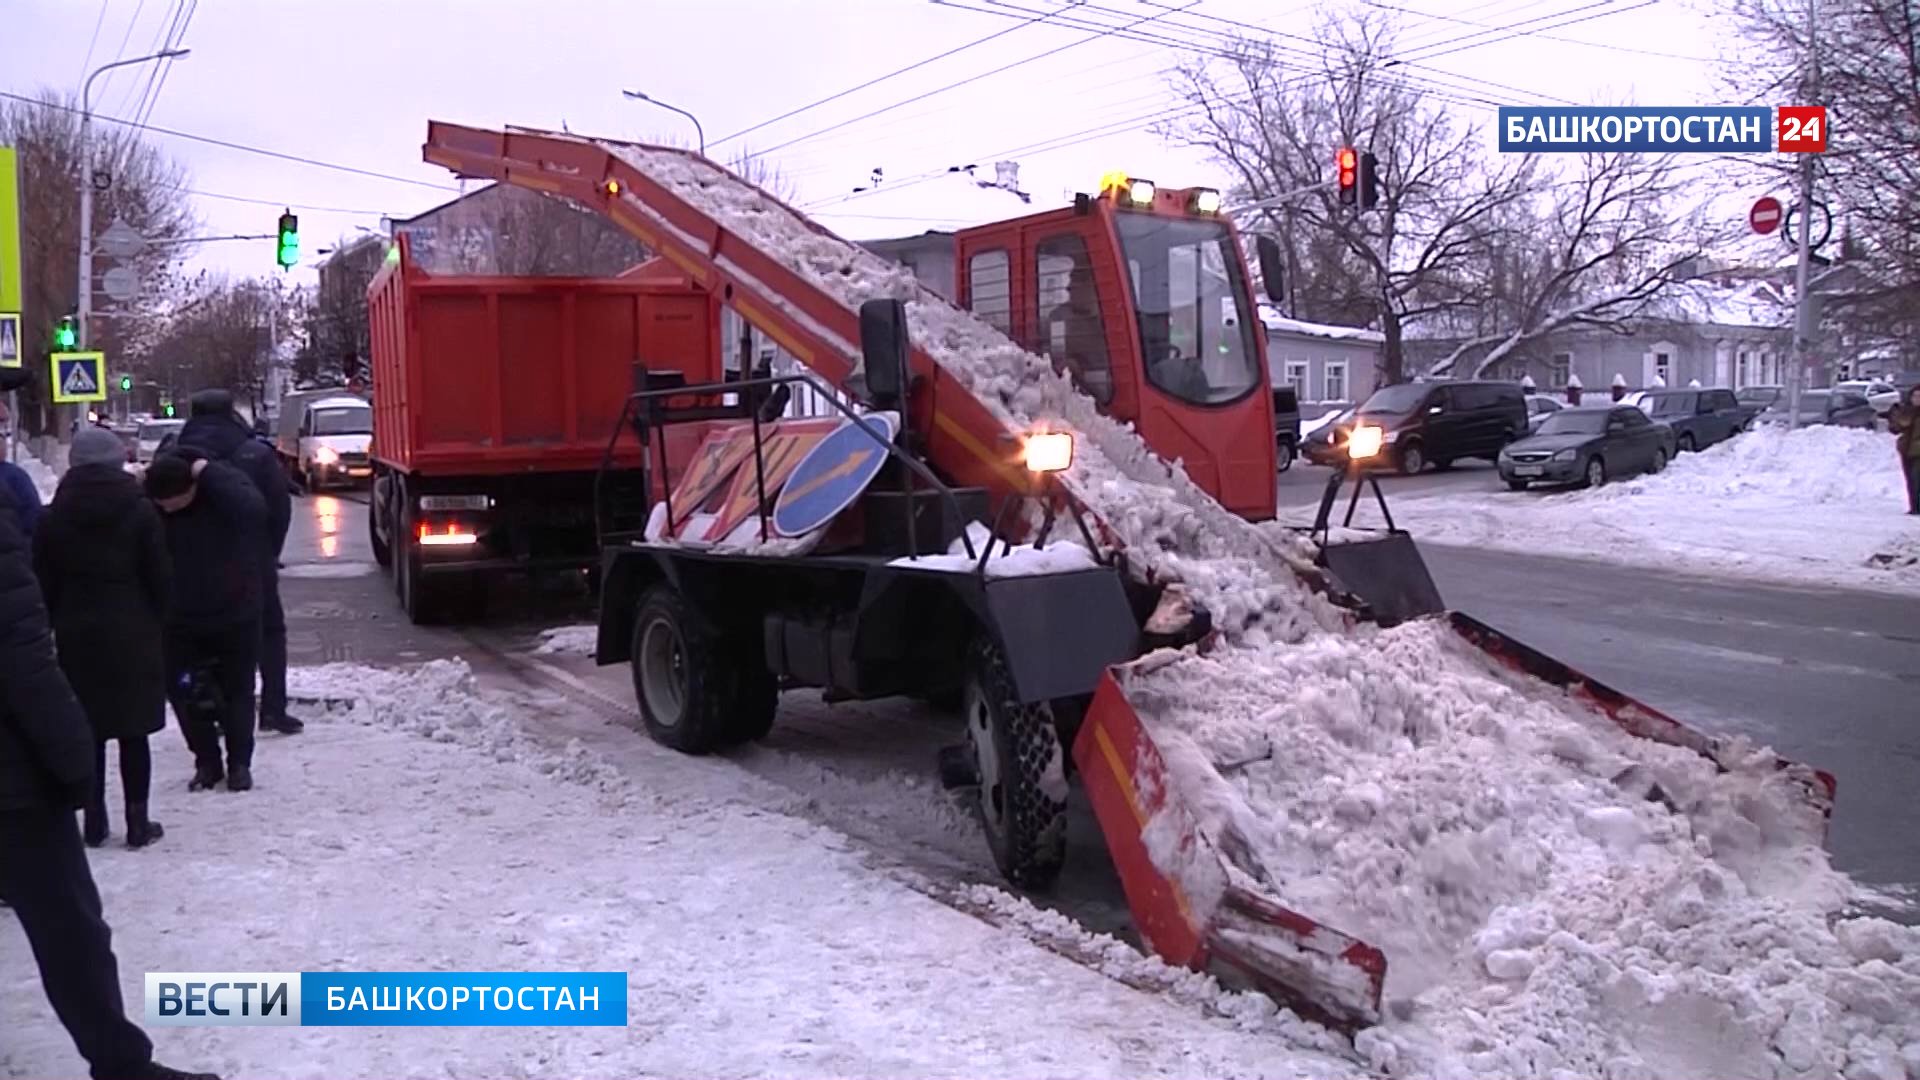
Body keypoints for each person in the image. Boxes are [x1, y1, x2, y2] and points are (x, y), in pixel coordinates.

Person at [0, 465, 220, 1080]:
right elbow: (20, 660)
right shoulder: (26, 517)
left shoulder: (53, 519)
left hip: (76, 642)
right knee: (71, 930)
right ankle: (122, 1066)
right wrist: (70, 763)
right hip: (13, 782)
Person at [35, 426, 173, 848]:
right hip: (132, 632)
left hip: (76, 635)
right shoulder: (140, 510)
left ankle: (93, 823)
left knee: (89, 731)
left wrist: (55, 624)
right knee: (134, 733)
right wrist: (158, 620)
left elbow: (43, 580)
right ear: (118, 461)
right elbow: (159, 576)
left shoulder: (53, 516)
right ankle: (137, 823)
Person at [176, 390, 300, 736]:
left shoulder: (175, 452)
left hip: (193, 566)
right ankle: (273, 708)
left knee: (202, 639)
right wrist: (269, 552)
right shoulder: (255, 453)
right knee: (269, 632)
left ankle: (209, 708)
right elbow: (279, 509)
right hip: (251, 560)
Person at [144, 450, 267, 792]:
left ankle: (239, 763)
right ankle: (206, 762)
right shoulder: (150, 503)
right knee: (183, 692)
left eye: (174, 501)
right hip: (179, 623)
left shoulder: (223, 495)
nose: (168, 507)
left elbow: (254, 508)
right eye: (161, 502)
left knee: (238, 690)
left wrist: (210, 472)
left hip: (235, 614)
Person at [1891, 385, 1920, 516]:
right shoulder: (1907, 411)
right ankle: (1914, 506)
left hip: (1918, 451)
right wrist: (1895, 415)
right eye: (1915, 396)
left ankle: (1917, 507)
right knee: (1910, 480)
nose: (1917, 399)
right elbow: (1895, 429)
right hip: (1906, 450)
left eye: (1919, 396)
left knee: (1916, 479)